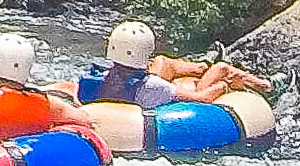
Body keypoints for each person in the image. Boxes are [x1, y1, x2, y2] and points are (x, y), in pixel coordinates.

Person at [76, 21, 270, 106]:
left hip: (127, 100)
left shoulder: (96, 77)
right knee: (222, 69)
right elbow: (201, 99)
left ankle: (203, 64)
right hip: (152, 105)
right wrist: (225, 85)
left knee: (162, 62)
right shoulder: (153, 86)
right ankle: (267, 86)